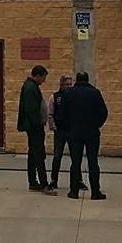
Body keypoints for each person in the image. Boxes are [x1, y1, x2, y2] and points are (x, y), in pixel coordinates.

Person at [61, 71, 109, 200]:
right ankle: (95, 191)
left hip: (74, 132)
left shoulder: (68, 93)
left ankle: (74, 191)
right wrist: (97, 124)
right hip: (91, 132)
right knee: (93, 162)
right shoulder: (95, 93)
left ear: (77, 80)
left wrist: (68, 128)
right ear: (87, 80)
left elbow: (62, 114)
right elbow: (103, 112)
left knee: (75, 162)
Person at [17, 65, 55, 194]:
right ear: (38, 75)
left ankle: (33, 182)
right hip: (34, 128)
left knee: (33, 154)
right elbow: (32, 110)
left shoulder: (31, 86)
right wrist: (38, 125)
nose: (44, 80)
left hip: (33, 127)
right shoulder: (30, 88)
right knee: (39, 155)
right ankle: (43, 184)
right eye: (43, 77)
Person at [47, 75, 79, 192]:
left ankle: (78, 180)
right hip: (60, 130)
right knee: (57, 156)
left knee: (75, 156)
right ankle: (54, 180)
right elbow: (50, 113)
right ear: (61, 85)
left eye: (71, 84)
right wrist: (53, 127)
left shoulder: (75, 97)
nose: (69, 86)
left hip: (72, 130)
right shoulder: (55, 97)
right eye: (67, 84)